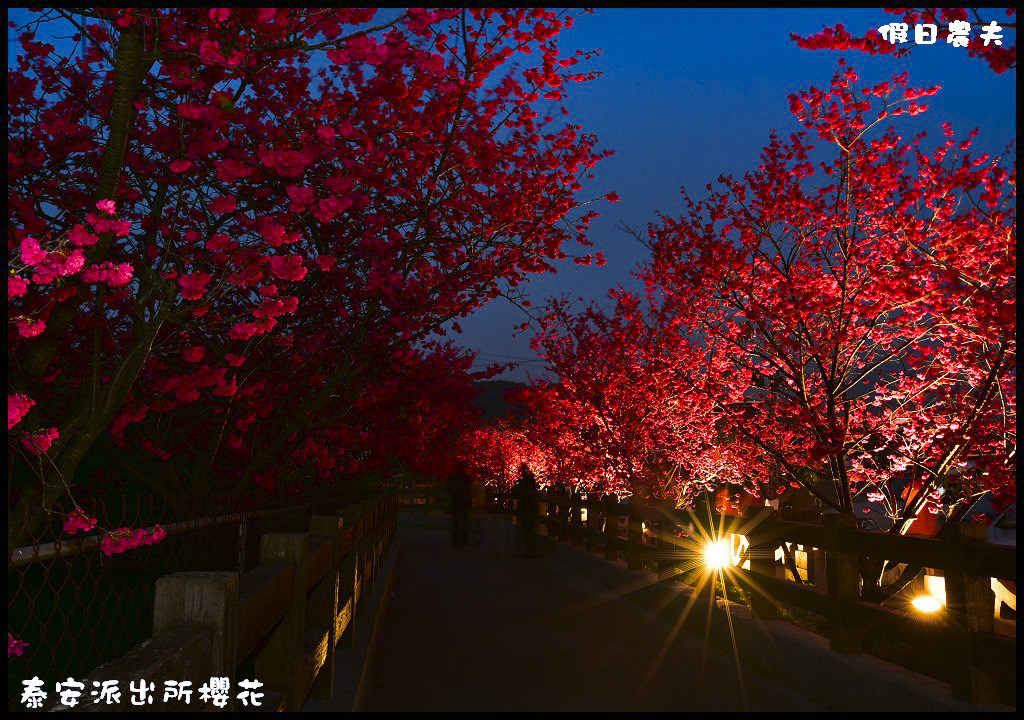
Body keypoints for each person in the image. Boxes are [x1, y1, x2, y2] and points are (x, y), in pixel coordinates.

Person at [513, 463, 540, 558]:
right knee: (530, 530)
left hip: (526, 508)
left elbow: (516, 491)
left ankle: (529, 552)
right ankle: (531, 551)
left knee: (527, 530)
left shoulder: (524, 482)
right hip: (530, 508)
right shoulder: (530, 481)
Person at [445, 461, 473, 546]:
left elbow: (449, 489)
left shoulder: (454, 477)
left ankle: (457, 540)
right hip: (463, 502)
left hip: (457, 501)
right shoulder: (465, 478)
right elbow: (469, 490)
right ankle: (463, 541)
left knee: (457, 522)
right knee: (464, 522)